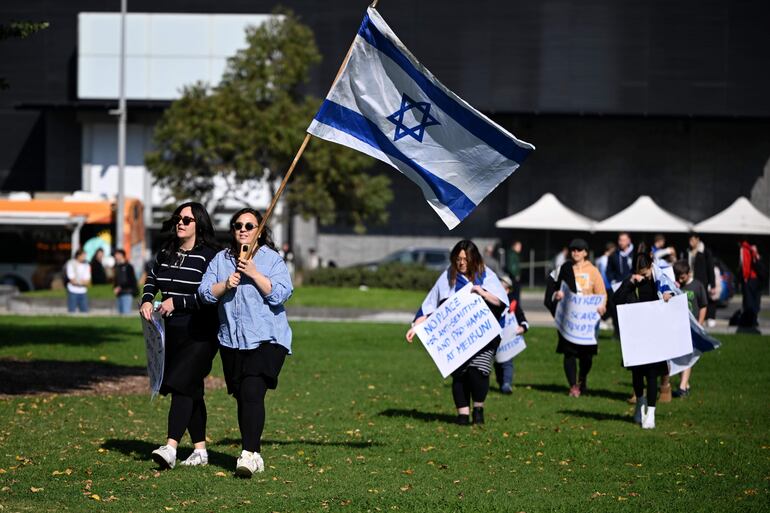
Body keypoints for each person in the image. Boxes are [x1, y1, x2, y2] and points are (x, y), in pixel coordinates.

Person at [199, 208, 293, 477]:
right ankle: (255, 451)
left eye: (250, 225)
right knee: (243, 397)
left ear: (259, 230)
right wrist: (225, 284)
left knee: (252, 391)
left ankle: (248, 455)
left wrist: (253, 272)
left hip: (268, 338)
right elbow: (205, 293)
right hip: (232, 341)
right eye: (238, 225)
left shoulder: (271, 260)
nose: (243, 229)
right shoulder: (221, 260)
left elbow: (282, 294)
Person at [142, 202, 221, 470]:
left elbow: (210, 295)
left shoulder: (212, 256)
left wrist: (178, 302)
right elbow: (152, 278)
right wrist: (147, 299)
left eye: (187, 220)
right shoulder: (167, 252)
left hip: (201, 331)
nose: (180, 223)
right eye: (178, 218)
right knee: (191, 388)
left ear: (199, 224)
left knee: (181, 383)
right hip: (171, 331)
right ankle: (200, 450)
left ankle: (171, 447)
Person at [406, 240, 508, 425]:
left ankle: (478, 409)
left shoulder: (486, 275)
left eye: (465, 259)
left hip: (484, 337)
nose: (461, 263)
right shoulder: (448, 277)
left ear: (473, 259)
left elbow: (502, 301)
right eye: (458, 259)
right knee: (460, 375)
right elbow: (430, 305)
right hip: (456, 338)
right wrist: (416, 327)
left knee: (479, 372)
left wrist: (483, 293)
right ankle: (462, 415)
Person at [614, 251, 674, 429]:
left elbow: (673, 295)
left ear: (651, 267)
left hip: (654, 336)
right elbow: (616, 300)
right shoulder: (631, 282)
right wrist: (630, 283)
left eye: (645, 273)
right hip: (636, 336)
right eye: (640, 273)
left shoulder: (660, 280)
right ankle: (640, 404)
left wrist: (666, 296)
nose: (643, 276)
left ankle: (652, 413)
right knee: (637, 374)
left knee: (653, 374)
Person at [547, 239, 607, 397]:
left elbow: (601, 293)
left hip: (587, 321)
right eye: (573, 249)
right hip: (570, 318)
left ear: (585, 253)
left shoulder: (593, 271)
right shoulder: (565, 268)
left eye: (579, 250)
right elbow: (554, 287)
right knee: (569, 353)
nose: (575, 252)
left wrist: (602, 305)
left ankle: (582, 378)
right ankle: (573, 385)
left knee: (587, 356)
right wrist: (557, 294)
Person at [671, 259, 708, 398]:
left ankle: (682, 388)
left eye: (683, 277)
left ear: (689, 273)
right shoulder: (676, 286)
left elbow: (703, 305)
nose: (680, 279)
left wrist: (700, 323)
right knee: (680, 356)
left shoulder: (697, 286)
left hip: (693, 327)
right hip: (679, 326)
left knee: (688, 356)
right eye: (678, 277)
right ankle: (685, 384)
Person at [494, 275, 529, 394]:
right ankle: (501, 382)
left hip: (508, 340)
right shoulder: (492, 302)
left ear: (508, 290)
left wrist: (523, 327)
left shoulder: (513, 303)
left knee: (507, 362)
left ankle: (507, 383)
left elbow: (521, 317)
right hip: (496, 341)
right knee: (498, 363)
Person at [680, 233, 716, 327]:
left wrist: (712, 284)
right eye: (689, 240)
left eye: (692, 240)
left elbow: (710, 269)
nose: (690, 242)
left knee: (703, 301)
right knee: (692, 300)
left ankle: (707, 319)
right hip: (690, 280)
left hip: (702, 280)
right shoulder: (687, 251)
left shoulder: (705, 252)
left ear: (697, 239)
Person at [738, 240, 764, 332]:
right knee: (755, 301)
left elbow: (745, 265)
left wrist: (745, 277)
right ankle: (753, 320)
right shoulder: (751, 250)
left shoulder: (745, 250)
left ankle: (750, 321)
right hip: (756, 280)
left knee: (749, 302)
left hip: (750, 279)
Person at [65, 249, 91, 313]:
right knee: (71, 311)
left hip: (83, 291)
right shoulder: (71, 263)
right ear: (78, 256)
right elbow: (72, 279)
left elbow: (87, 280)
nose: (84, 257)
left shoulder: (86, 265)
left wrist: (78, 282)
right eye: (83, 256)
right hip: (73, 291)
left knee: (85, 312)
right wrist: (81, 282)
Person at [113, 249, 137, 315]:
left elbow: (131, 280)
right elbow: (116, 280)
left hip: (127, 293)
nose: (115, 256)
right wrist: (115, 287)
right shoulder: (116, 267)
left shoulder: (129, 267)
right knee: (120, 316)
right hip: (119, 294)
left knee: (126, 314)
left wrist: (120, 287)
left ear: (121, 255)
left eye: (117, 255)